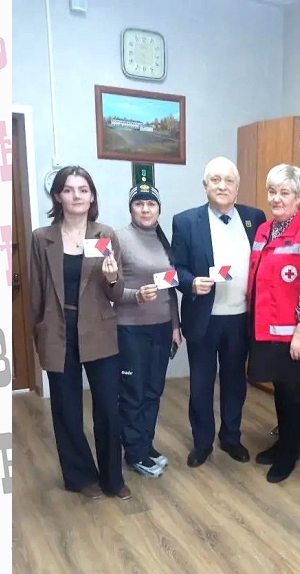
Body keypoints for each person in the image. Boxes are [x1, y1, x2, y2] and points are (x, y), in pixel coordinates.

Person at [29, 165, 131, 500]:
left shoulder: (105, 235)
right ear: (57, 196)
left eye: (83, 190)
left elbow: (116, 292)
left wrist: (113, 277)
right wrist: (39, 337)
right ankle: (80, 477)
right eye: (69, 190)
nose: (77, 196)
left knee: (108, 408)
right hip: (58, 332)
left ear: (92, 196)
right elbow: (36, 293)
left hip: (98, 329)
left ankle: (112, 479)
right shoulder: (42, 238)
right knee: (66, 410)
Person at [172, 157, 267, 468]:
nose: (222, 186)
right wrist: (190, 282)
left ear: (237, 186)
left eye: (228, 180)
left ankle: (231, 437)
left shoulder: (254, 218)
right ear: (205, 186)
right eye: (215, 180)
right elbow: (177, 268)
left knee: (235, 381)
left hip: (241, 317)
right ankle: (202, 443)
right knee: (201, 383)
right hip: (204, 317)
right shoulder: (185, 221)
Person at [247, 164, 300, 483]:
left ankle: (290, 453)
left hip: (295, 333)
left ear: (298, 197)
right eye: (272, 192)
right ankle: (282, 442)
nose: (276, 198)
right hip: (267, 328)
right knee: (279, 390)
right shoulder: (264, 230)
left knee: (294, 394)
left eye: (284, 192)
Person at [114, 183, 182, 478]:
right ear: (131, 208)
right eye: (139, 204)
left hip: (162, 328)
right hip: (131, 329)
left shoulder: (162, 239)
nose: (145, 209)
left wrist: (175, 326)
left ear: (158, 209)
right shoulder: (118, 238)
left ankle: (145, 444)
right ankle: (134, 452)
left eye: (151, 204)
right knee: (134, 392)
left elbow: (171, 288)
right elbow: (109, 287)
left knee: (154, 390)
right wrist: (136, 295)